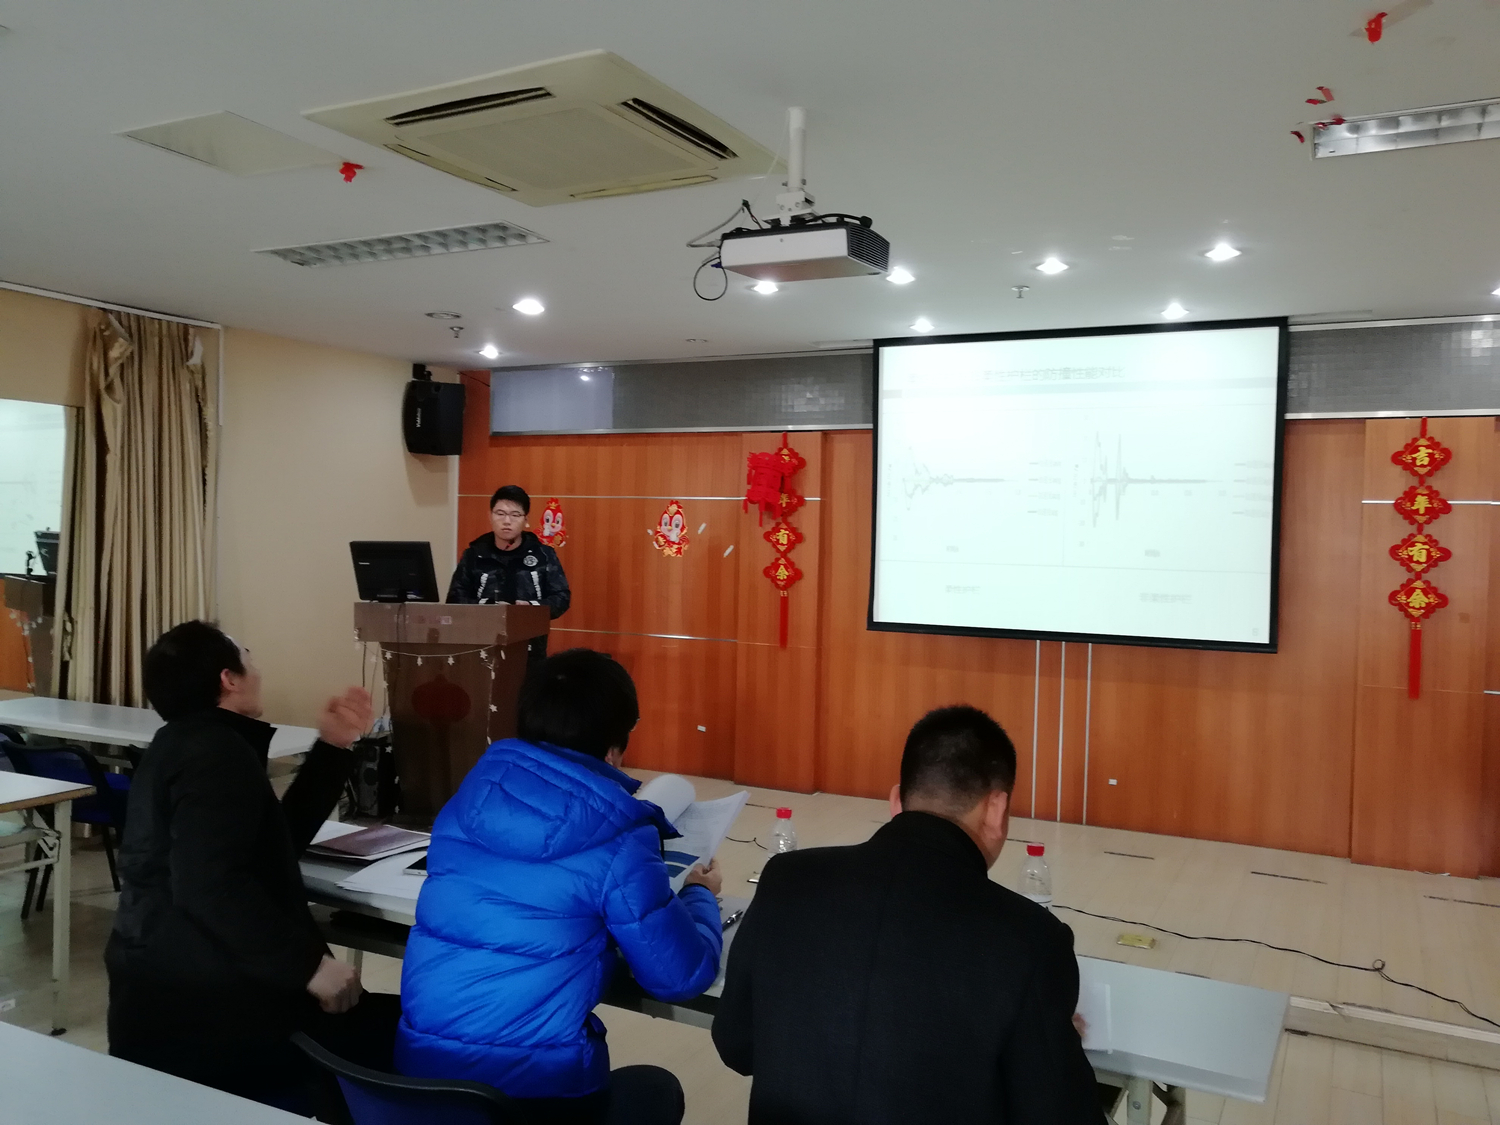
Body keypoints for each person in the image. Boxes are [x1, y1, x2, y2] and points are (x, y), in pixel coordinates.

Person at [711, 705, 1104, 1125]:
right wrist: (1056, 1043)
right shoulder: (1032, 938)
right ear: (996, 808)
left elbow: (736, 1044)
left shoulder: (787, 879)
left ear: (896, 801)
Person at [396, 648, 722, 1125]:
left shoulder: (463, 804)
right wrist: (700, 896)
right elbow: (681, 977)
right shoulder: (620, 839)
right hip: (534, 1095)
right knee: (656, 1088)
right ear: (612, 750)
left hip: (417, 1084)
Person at [106, 620, 397, 1111]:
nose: (257, 670)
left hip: (169, 996)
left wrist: (332, 746)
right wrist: (309, 967)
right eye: (248, 658)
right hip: (211, 1017)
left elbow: (267, 844)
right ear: (229, 680)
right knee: (406, 1037)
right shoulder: (216, 753)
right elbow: (210, 887)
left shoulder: (181, 745)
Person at [447, 484, 570, 662]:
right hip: (480, 648)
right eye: (500, 513)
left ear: (526, 520)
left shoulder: (543, 555)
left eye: (515, 515)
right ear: (490, 516)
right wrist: (489, 607)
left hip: (530, 649)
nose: (507, 521)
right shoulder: (474, 554)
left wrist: (531, 607)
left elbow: (561, 598)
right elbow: (455, 599)